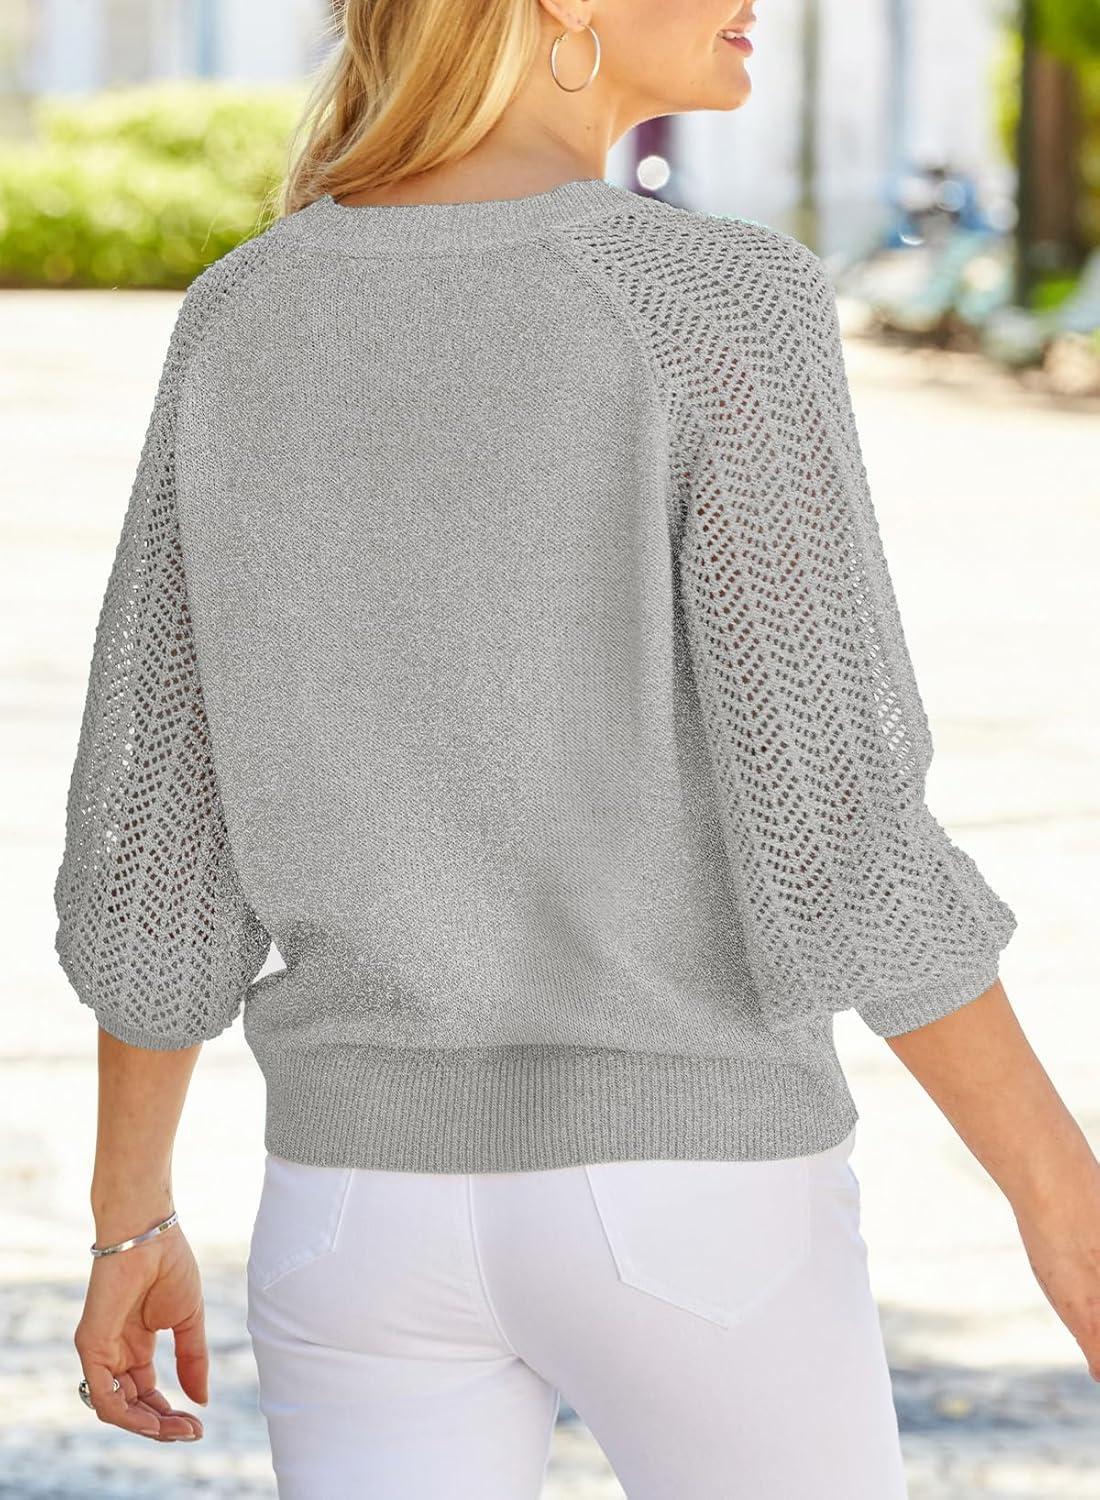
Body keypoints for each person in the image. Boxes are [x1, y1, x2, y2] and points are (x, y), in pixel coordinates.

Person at [54, 1, 1100, 1496]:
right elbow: (839, 837)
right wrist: (1063, 1198)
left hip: (355, 1221)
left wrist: (131, 1218)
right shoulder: (714, 302)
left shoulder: (243, 312)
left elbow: (157, 846)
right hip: (692, 1203)